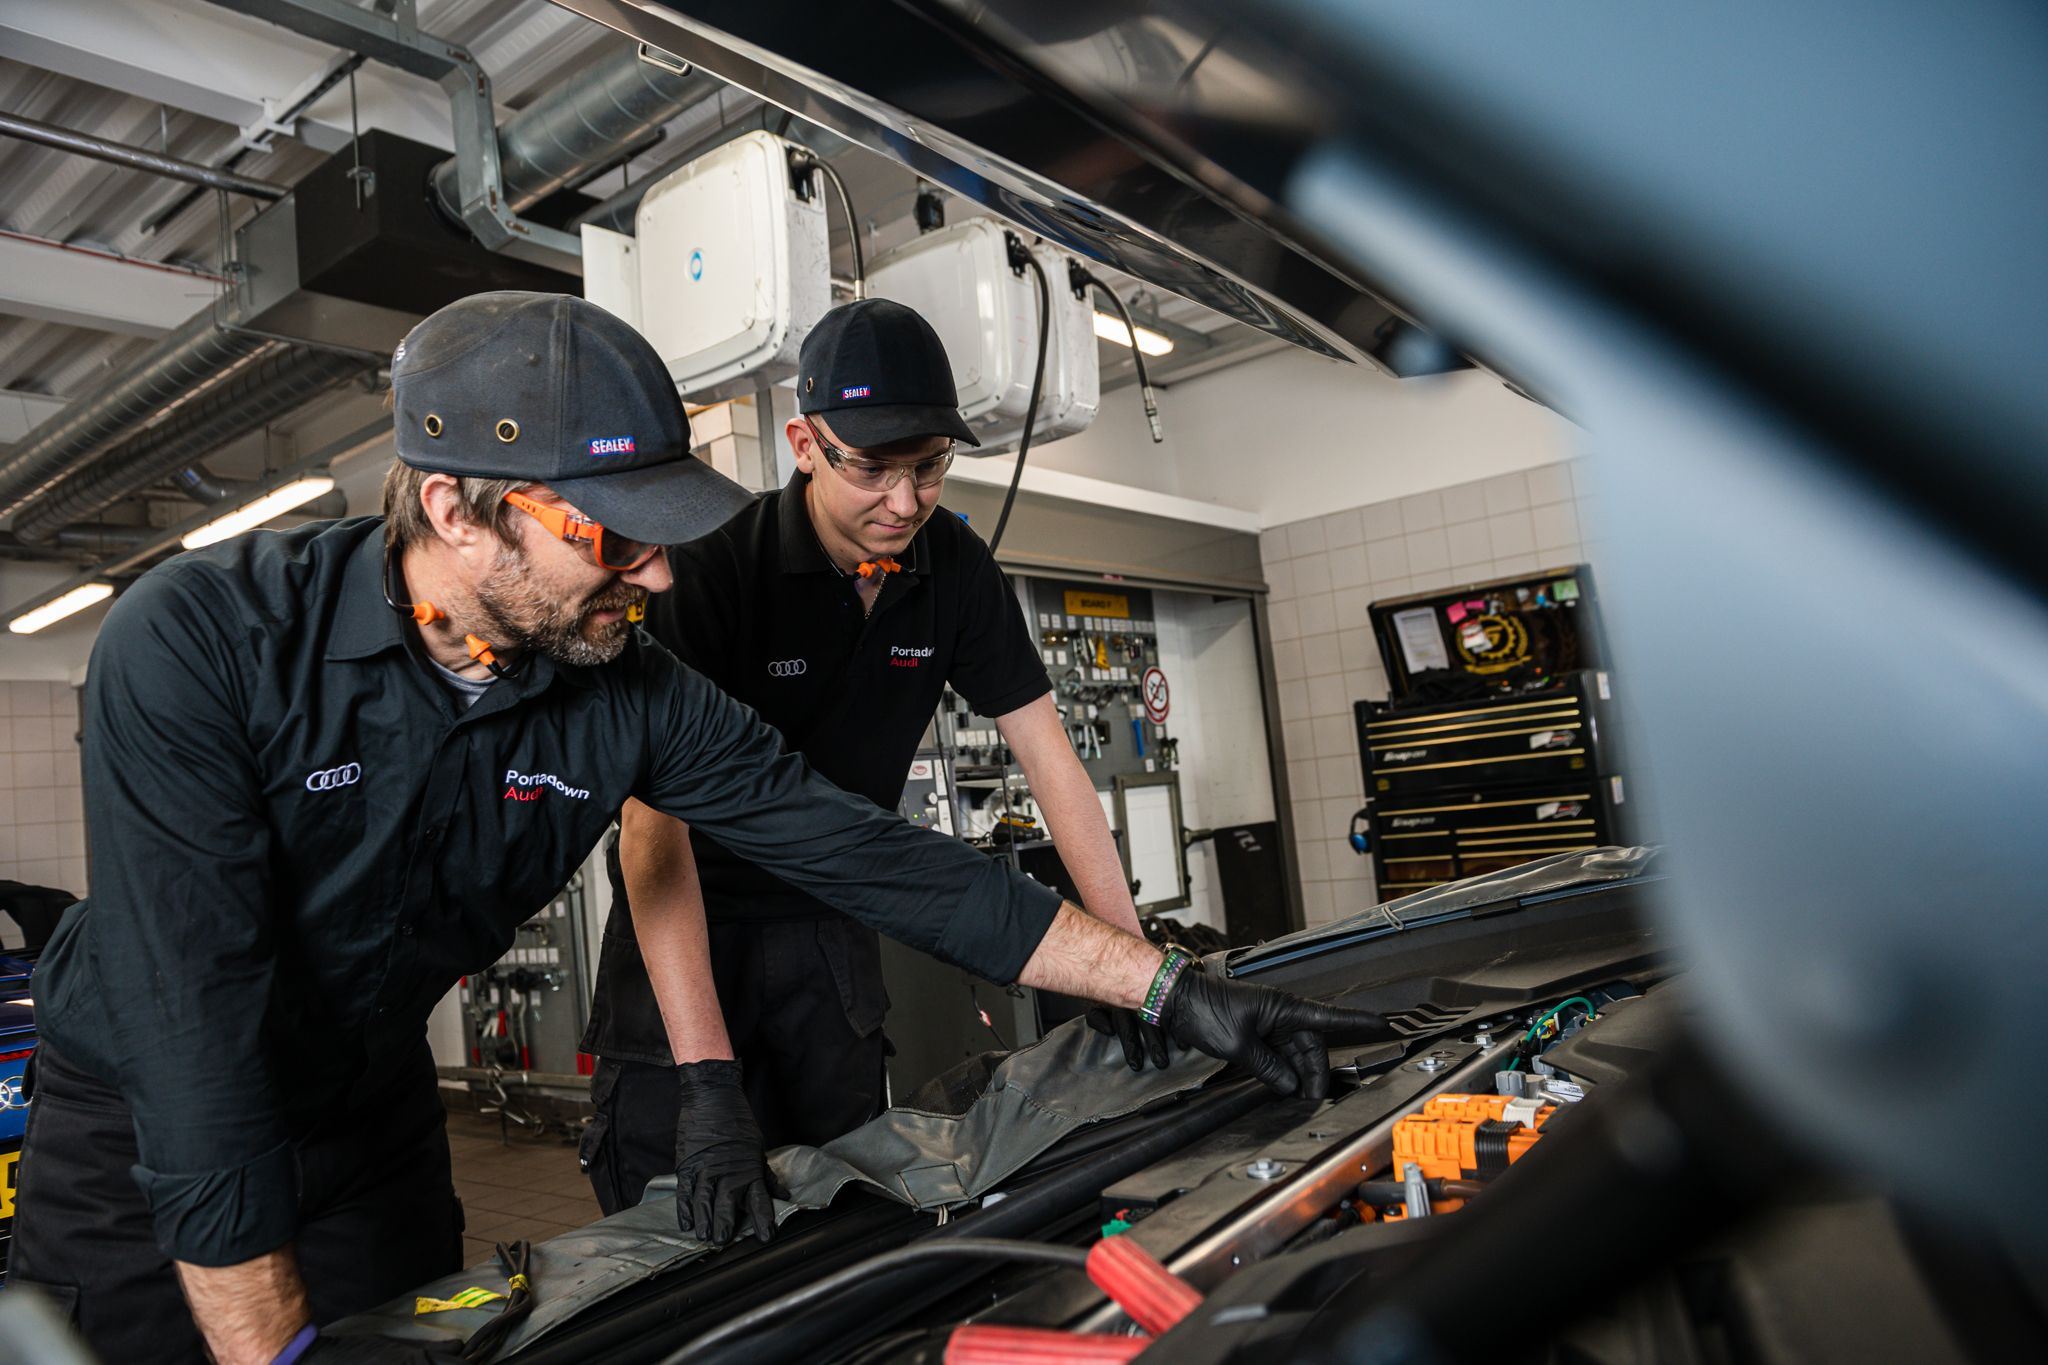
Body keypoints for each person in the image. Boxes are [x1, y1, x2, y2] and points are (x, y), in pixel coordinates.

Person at [8, 292, 1379, 1365]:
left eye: (666, 534)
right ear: (455, 511)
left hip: (368, 1116)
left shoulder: (628, 688)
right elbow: (194, 1028)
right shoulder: (203, 644)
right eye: (616, 538)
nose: (659, 576)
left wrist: (1171, 988)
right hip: (140, 1124)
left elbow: (870, 855)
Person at [581, 298, 1168, 1224]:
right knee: (674, 1230)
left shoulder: (953, 565)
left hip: (833, 933)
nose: (904, 503)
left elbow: (1051, 756)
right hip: (689, 938)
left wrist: (1128, 964)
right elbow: (652, 833)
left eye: (928, 467)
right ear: (804, 444)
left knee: (844, 1208)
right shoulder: (713, 566)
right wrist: (706, 1078)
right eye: (872, 469)